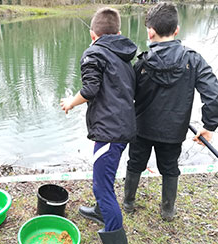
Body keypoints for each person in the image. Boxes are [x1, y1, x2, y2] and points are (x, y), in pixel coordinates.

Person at [123, 2, 218, 222]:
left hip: (141, 129)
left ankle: (128, 203)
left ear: (150, 31)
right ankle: (168, 211)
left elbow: (126, 95)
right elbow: (213, 93)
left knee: (135, 163)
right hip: (173, 131)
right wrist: (209, 126)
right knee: (169, 168)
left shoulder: (141, 63)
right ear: (176, 30)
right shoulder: (193, 60)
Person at [60, 7, 137, 244]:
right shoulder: (123, 57)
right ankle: (101, 211)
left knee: (102, 187)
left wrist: (70, 103)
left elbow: (90, 89)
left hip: (109, 132)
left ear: (93, 35)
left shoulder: (93, 53)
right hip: (122, 128)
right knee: (103, 177)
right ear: (118, 33)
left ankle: (115, 238)